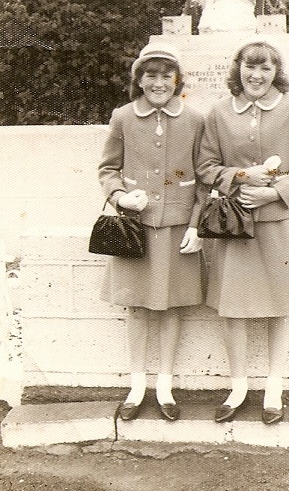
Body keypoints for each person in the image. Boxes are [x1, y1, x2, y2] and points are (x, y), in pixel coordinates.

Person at [196, 37, 289, 424]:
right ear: (238, 70)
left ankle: (273, 387)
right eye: (250, 67)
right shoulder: (218, 112)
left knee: (279, 306)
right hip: (236, 224)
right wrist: (238, 177)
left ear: (275, 73)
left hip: (280, 223)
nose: (257, 75)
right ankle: (237, 387)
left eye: (266, 68)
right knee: (232, 308)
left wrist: (272, 193)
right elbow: (205, 168)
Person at [98, 42, 204, 422]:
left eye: (166, 75)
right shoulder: (123, 117)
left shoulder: (194, 120)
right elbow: (108, 170)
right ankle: (137, 384)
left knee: (172, 305)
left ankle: (164, 385)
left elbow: (204, 180)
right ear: (138, 80)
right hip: (136, 230)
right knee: (139, 307)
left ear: (177, 80)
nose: (158, 83)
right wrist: (122, 197)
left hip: (176, 229)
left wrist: (196, 225)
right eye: (150, 75)